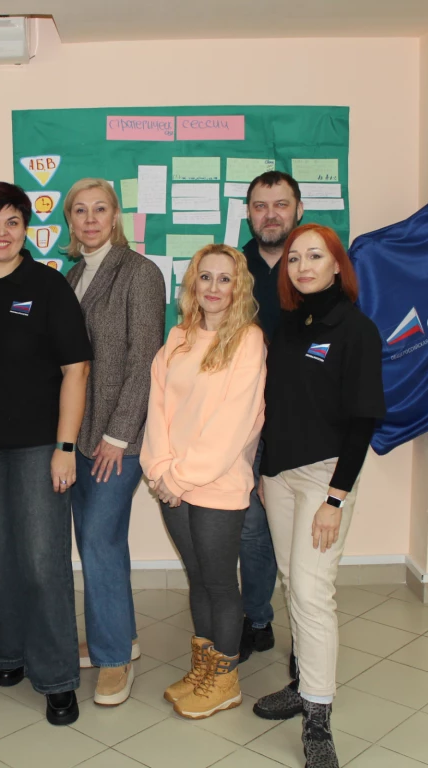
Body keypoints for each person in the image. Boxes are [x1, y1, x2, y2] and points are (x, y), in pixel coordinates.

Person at [0, 182, 92, 725]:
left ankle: (56, 678)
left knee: (41, 561)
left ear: (26, 229)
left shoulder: (47, 286)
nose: (1, 232)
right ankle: (7, 653)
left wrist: (65, 447)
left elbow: (76, 369)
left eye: (12, 221)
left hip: (38, 448)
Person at [252, 224, 385, 768]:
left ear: (336, 265)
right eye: (294, 258)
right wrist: (264, 473)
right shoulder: (288, 324)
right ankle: (303, 683)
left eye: (315, 256)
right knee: (292, 580)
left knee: (312, 592)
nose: (303, 266)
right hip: (279, 475)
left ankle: (318, 718)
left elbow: (364, 420)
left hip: (324, 478)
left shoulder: (356, 330)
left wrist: (336, 499)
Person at [141, 244, 266, 720]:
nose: (214, 287)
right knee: (196, 578)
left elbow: (233, 424)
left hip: (216, 483)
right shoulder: (177, 338)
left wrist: (178, 476)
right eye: (206, 277)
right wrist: (159, 470)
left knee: (219, 582)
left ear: (238, 288)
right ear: (193, 283)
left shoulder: (248, 341)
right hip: (171, 483)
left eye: (225, 279)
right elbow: (158, 410)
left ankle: (226, 681)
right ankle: (203, 670)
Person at [62, 178, 166, 706]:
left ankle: (112, 660)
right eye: (80, 211)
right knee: (96, 541)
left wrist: (118, 436)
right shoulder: (72, 274)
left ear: (116, 215)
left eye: (100, 209)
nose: (90, 219)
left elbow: (145, 361)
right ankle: (119, 635)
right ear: (69, 220)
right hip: (77, 437)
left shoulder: (140, 273)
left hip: (117, 438)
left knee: (99, 541)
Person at [236, 171, 305, 662]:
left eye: (281, 204)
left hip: (304, 426)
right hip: (246, 424)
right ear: (248, 214)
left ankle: (308, 635)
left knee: (302, 535)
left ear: (298, 209)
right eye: (261, 206)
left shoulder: (316, 265)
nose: (271, 214)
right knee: (252, 530)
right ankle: (257, 618)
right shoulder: (232, 269)